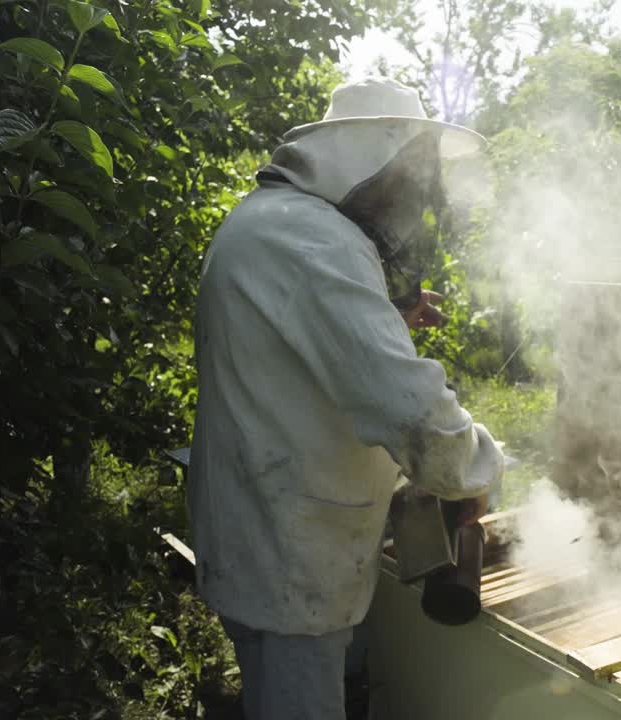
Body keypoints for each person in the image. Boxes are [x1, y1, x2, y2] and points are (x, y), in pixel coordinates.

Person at [187, 78, 504, 719]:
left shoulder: (273, 222)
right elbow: (406, 405)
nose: (415, 195)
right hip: (288, 556)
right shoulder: (313, 240)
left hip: (270, 526)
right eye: (410, 174)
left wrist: (394, 314)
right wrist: (476, 471)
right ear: (371, 159)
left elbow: (308, 350)